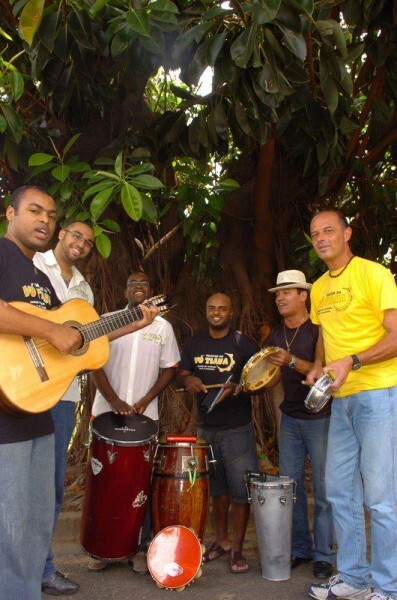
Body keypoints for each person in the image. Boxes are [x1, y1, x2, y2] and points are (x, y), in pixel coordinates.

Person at [0, 186, 158, 600]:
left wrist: (135, 323)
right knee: (10, 519)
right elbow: (52, 330)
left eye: (50, 214)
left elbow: (80, 335)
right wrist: (52, 330)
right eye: (35, 211)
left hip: (39, 408)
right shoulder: (1, 255)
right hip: (6, 406)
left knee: (35, 517)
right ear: (10, 212)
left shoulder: (38, 278)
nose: (44, 220)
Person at [306, 210, 397, 600]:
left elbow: (396, 335)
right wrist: (318, 366)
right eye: (314, 234)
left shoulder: (374, 274)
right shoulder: (318, 289)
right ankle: (355, 578)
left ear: (347, 233)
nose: (321, 238)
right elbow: (326, 335)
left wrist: (353, 362)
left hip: (377, 393)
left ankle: (388, 586)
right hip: (338, 398)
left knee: (379, 498)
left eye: (329, 230)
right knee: (339, 492)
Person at [90, 270, 180, 572]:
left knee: (140, 483)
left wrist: (146, 399)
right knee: (105, 482)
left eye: (144, 283)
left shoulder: (163, 327)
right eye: (133, 284)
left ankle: (140, 548)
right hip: (106, 412)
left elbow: (171, 367)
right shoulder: (107, 320)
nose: (139, 287)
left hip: (144, 416)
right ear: (124, 290)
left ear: (151, 290)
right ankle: (101, 548)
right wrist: (113, 399)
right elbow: (93, 362)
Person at [34, 220, 95, 595]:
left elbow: (83, 340)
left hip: (65, 394)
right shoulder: (32, 264)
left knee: (52, 487)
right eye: (76, 235)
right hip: (21, 384)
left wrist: (135, 320)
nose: (81, 244)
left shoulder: (84, 288)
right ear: (60, 234)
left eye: (88, 242)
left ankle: (43, 567)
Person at [177, 293, 259, 574]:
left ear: (231, 312)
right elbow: (183, 373)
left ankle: (237, 548)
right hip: (206, 429)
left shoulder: (244, 343)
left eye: (222, 308)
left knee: (240, 489)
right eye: (212, 308)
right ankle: (221, 540)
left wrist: (239, 387)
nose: (216, 312)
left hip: (237, 428)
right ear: (206, 311)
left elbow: (260, 379)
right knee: (217, 489)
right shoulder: (194, 342)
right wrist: (190, 380)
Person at [264, 269, 335, 579]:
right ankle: (300, 549)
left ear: (303, 296)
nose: (280, 297)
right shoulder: (275, 335)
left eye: (287, 292)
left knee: (322, 489)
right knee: (289, 488)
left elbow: (325, 372)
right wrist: (258, 377)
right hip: (290, 418)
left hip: (321, 418)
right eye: (278, 293)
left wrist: (290, 360)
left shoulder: (319, 330)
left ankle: (324, 554)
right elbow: (272, 379)